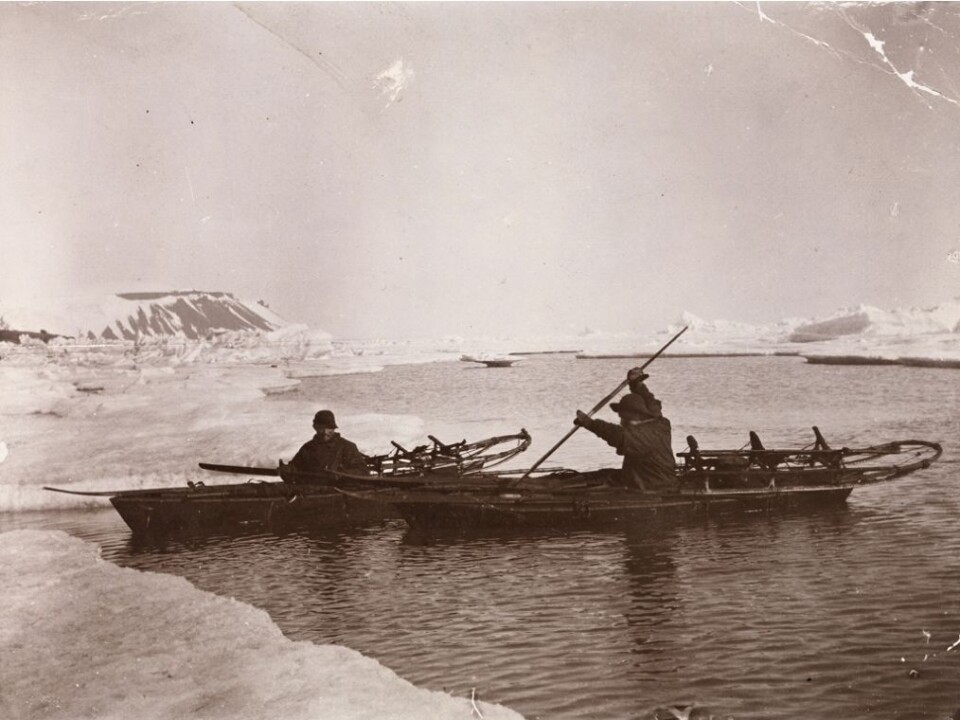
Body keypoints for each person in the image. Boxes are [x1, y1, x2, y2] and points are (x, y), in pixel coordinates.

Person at [573, 368, 676, 492]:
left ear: (637, 415)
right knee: (603, 475)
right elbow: (652, 404)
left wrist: (590, 424)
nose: (622, 422)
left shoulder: (645, 436)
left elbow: (617, 435)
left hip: (652, 487)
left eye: (625, 419)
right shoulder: (661, 423)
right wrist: (636, 384)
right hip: (649, 479)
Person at [288, 410, 369, 479]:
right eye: (321, 428)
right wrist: (287, 470)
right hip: (312, 491)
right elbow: (295, 467)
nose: (325, 432)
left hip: (340, 491)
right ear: (315, 427)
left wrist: (341, 474)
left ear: (334, 429)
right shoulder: (308, 448)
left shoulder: (347, 447)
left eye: (329, 428)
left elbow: (363, 471)